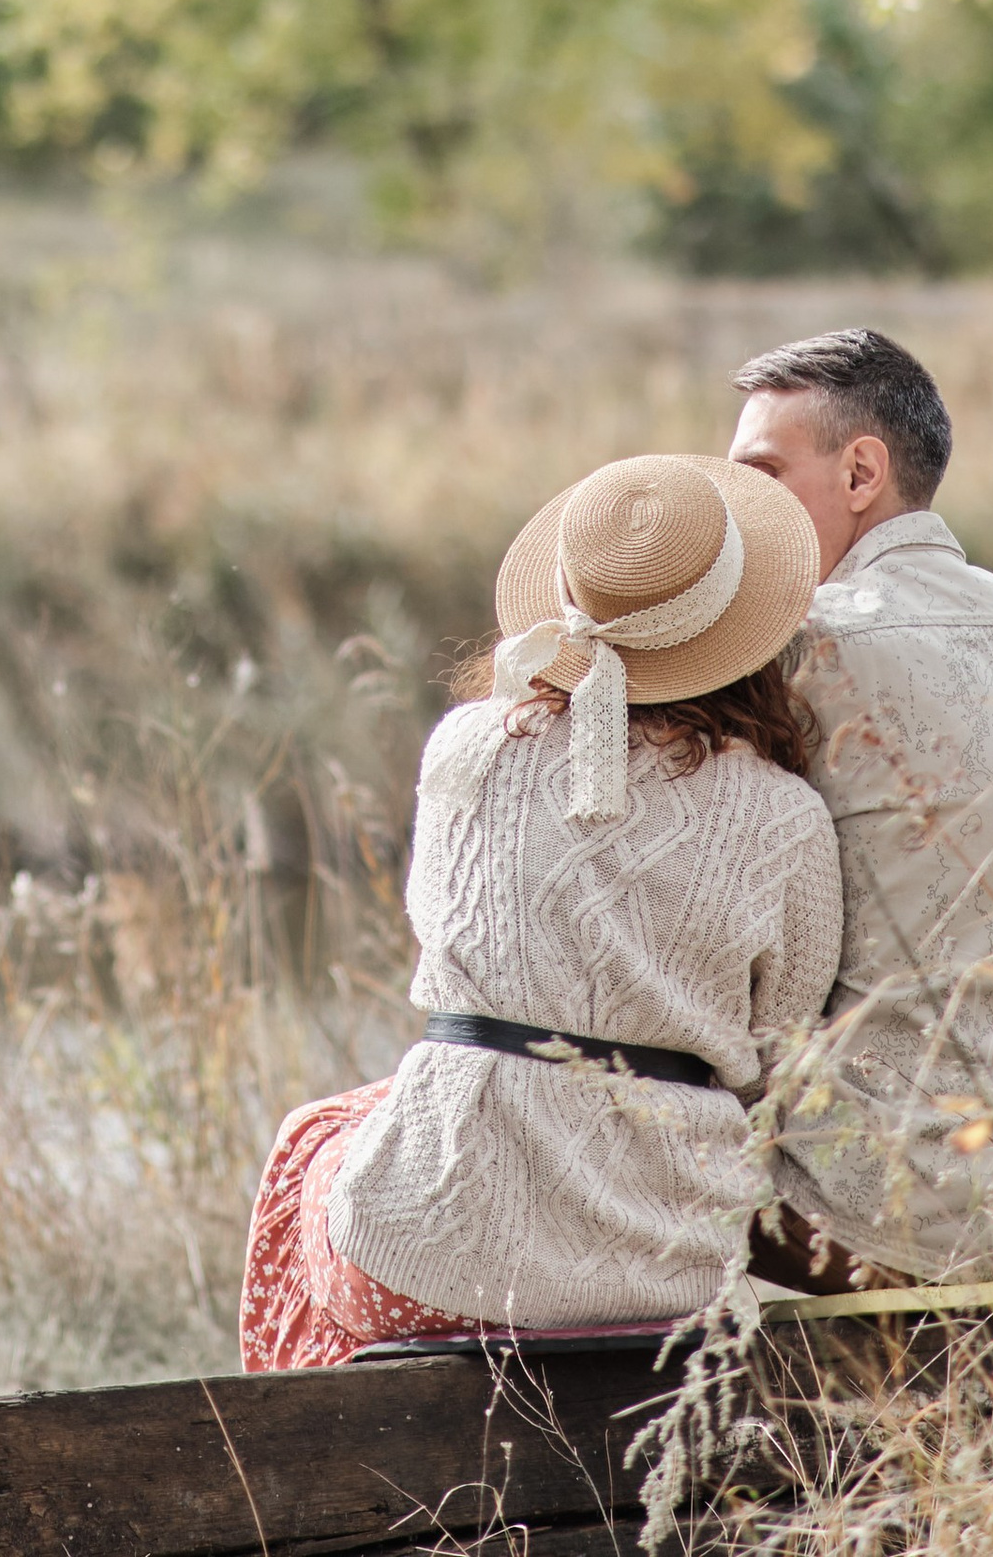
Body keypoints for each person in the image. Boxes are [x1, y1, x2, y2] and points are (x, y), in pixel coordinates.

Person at [239, 452, 842, 1370]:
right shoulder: (784, 816)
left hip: (428, 1260)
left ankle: (328, 1484)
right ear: (741, 626)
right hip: (666, 1278)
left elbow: (443, 951)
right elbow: (783, 1049)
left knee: (312, 1144)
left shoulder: (468, 749)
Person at [725, 327, 993, 1287]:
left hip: (881, 1208)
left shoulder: (799, 647)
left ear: (862, 471)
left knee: (587, 1126)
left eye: (762, 475)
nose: (740, 512)